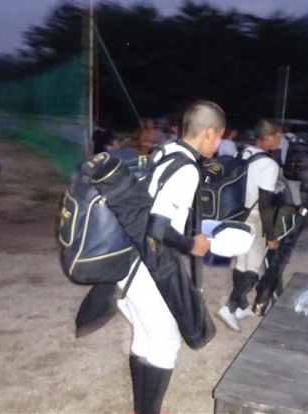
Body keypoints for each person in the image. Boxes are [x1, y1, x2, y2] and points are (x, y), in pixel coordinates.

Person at [118, 101, 223, 414]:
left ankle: (143, 410)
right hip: (149, 265)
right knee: (166, 342)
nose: (218, 144)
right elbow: (159, 226)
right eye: (219, 136)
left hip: (128, 257)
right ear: (209, 133)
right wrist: (192, 245)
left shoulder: (167, 150)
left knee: (144, 337)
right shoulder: (187, 169)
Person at [217, 118, 282, 332]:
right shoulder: (269, 165)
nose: (279, 140)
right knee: (254, 268)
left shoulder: (243, 153)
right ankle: (229, 307)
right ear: (268, 137)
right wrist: (271, 236)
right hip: (254, 218)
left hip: (236, 215)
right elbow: (265, 204)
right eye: (278, 136)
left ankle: (241, 306)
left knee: (241, 263)